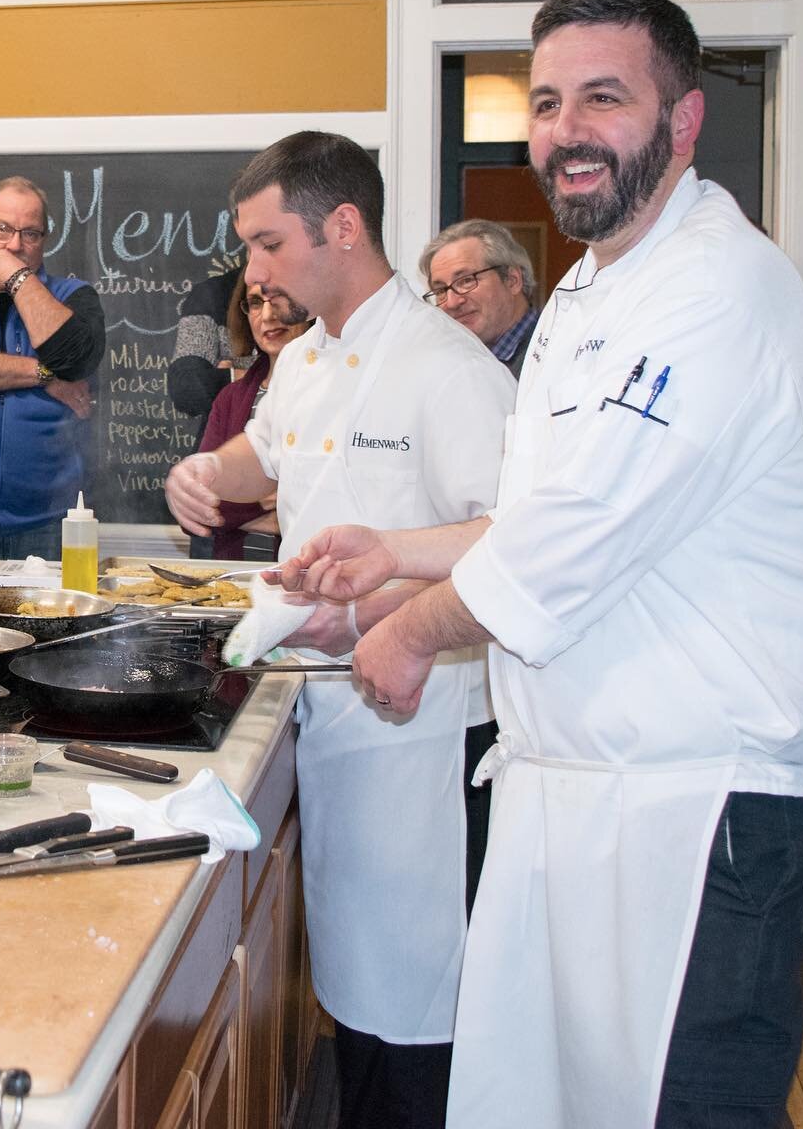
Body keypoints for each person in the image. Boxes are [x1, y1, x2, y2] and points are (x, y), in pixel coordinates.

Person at [279, 0, 803, 1129]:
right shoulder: (593, 290)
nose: (566, 130)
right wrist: (393, 550)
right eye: (546, 102)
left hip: (703, 813)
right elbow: (537, 514)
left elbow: (577, 537)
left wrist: (405, 626)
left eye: (604, 97)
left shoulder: (718, 287)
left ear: (683, 121)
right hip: (589, 802)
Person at [163, 131, 514, 1129]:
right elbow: (257, 458)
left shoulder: (448, 369)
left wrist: (364, 613)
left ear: (345, 227)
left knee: (421, 1006)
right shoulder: (306, 359)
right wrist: (206, 475)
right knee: (356, 996)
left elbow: (505, 543)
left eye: (268, 244)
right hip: (338, 717)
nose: (254, 271)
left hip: (431, 734)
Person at [0, 176, 105, 561]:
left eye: (30, 234)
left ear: (45, 240)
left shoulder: (73, 297)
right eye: (2, 229)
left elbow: (76, 359)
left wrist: (17, 278)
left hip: (50, 523)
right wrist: (44, 374)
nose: (15, 244)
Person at [196, 270, 309, 560]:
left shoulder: (330, 393)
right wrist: (267, 504)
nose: (268, 315)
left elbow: (324, 504)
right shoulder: (230, 399)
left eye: (280, 298)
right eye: (255, 302)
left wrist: (241, 500)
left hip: (301, 585)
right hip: (232, 585)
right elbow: (202, 504)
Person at [419, 218, 538, 377]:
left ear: (512, 280)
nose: (452, 302)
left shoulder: (554, 351)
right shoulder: (451, 365)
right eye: (440, 290)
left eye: (466, 281)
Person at [168, 264, 246, 427]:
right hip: (223, 442)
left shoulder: (307, 294)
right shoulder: (213, 294)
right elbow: (185, 388)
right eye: (255, 303)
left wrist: (236, 376)